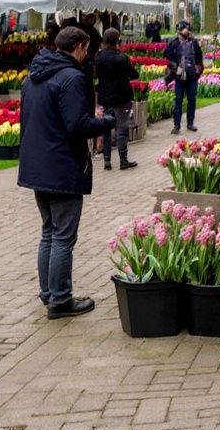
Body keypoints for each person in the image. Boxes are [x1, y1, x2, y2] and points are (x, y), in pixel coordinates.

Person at [18, 26, 116, 320]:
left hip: (38, 165)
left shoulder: (33, 78)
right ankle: (60, 300)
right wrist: (106, 122)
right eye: (87, 49)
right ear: (79, 47)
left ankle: (48, 292)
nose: (88, 55)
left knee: (49, 232)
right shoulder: (71, 78)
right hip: (62, 166)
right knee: (62, 236)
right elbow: (77, 125)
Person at [94, 28, 139, 171]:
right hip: (122, 97)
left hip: (105, 97)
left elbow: (95, 75)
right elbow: (134, 75)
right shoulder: (122, 58)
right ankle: (123, 160)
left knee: (106, 129)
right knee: (121, 128)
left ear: (104, 40)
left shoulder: (99, 58)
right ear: (117, 41)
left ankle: (107, 161)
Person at [164, 21, 205, 134]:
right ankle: (176, 125)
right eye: (186, 29)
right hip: (179, 75)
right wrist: (174, 68)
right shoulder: (174, 43)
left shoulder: (194, 43)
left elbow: (199, 57)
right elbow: (167, 57)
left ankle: (190, 123)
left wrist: (198, 71)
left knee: (192, 100)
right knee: (178, 101)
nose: (188, 31)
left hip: (192, 75)